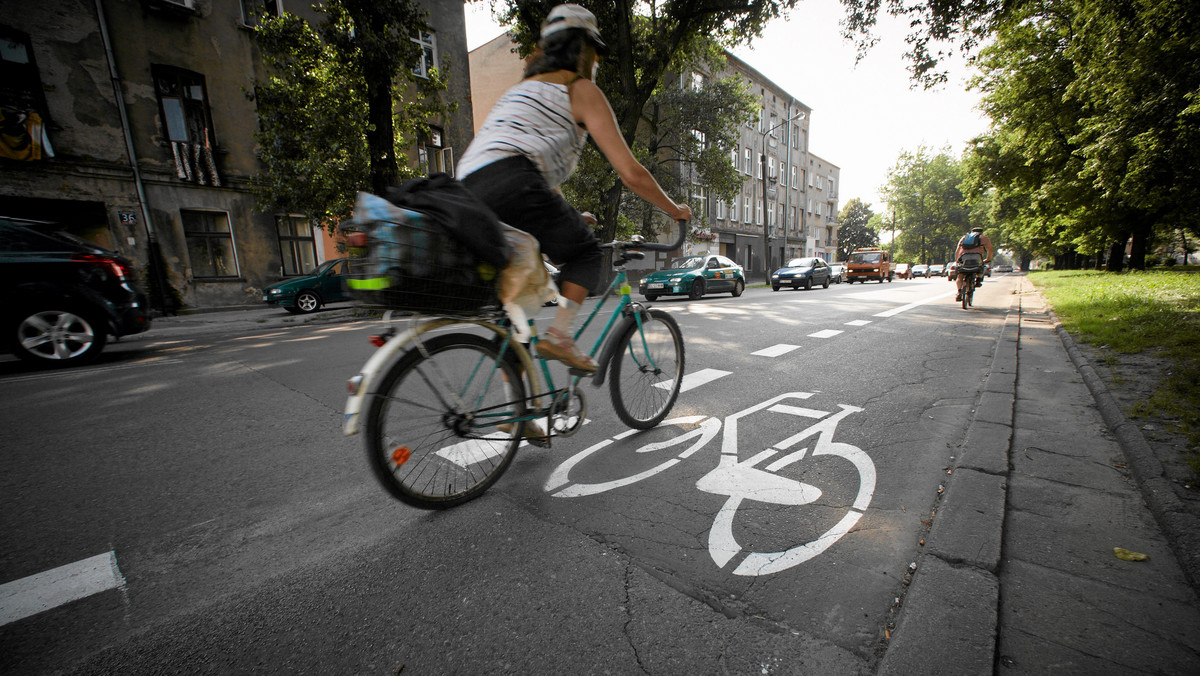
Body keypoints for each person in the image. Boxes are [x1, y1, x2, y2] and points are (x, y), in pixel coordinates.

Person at [457, 4, 691, 373]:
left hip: (468, 190)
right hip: (513, 181)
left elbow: (525, 163)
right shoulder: (577, 88)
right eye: (595, 51)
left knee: (519, 304)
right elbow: (632, 173)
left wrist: (566, 214)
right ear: (583, 50)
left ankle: (520, 407)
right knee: (585, 253)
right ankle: (561, 336)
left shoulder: (521, 92)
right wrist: (674, 210)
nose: (596, 60)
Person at [954, 226, 993, 301]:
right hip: (976, 257)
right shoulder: (984, 238)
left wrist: (957, 261)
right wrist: (988, 259)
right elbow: (990, 250)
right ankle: (978, 279)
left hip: (964, 257)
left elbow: (957, 249)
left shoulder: (964, 237)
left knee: (960, 274)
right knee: (980, 266)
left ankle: (959, 292)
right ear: (981, 232)